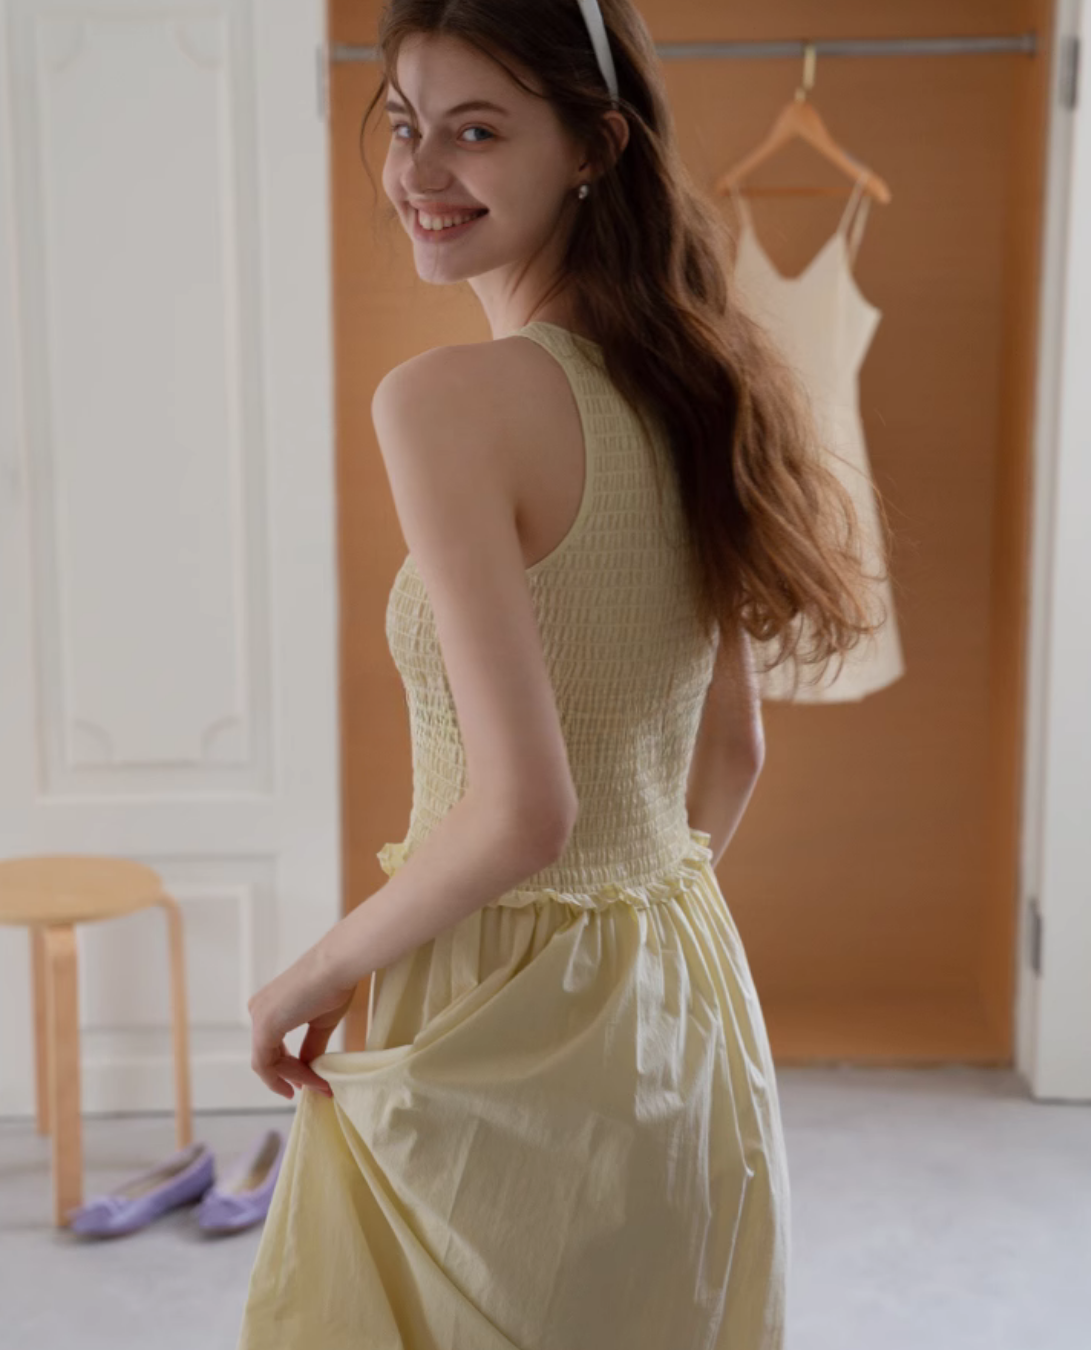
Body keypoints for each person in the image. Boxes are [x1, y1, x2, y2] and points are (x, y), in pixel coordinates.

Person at [238, 2, 888, 1347]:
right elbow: (732, 754)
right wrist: (620, 937)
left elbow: (523, 812)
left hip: (488, 1007)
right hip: (679, 990)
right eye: (406, 126)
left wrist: (308, 975)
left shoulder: (444, 402)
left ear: (594, 147)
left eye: (476, 132)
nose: (420, 172)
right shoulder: (696, 380)